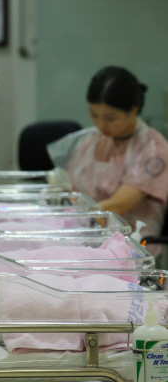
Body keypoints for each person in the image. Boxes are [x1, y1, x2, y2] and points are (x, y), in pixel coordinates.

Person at [47, 66, 168, 257]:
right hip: (89, 231)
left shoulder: (153, 150)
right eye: (94, 115)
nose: (101, 125)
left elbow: (116, 207)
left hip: (131, 242)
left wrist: (73, 221)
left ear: (133, 110)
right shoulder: (93, 141)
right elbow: (71, 189)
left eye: (110, 118)